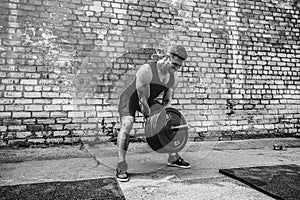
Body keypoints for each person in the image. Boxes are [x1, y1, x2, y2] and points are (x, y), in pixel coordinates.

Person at [116, 45, 191, 182]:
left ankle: (173, 157)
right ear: (167, 57)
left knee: (166, 122)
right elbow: (142, 100)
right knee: (127, 124)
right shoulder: (147, 70)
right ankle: (121, 164)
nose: (176, 68)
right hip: (131, 98)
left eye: (179, 66)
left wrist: (164, 120)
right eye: (174, 64)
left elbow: (167, 101)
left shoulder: (173, 77)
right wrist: (151, 121)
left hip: (149, 99)